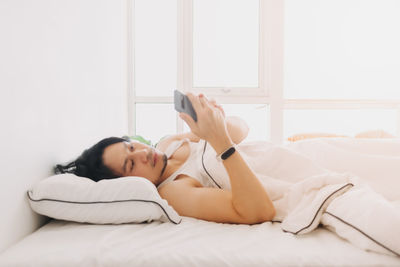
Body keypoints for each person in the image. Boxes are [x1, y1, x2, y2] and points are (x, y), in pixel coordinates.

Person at [55, 92, 277, 224]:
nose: (142, 153)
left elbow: (242, 129)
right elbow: (259, 211)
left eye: (131, 147)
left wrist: (218, 121)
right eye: (130, 164)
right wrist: (220, 141)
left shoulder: (169, 144)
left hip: (285, 154)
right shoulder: (173, 191)